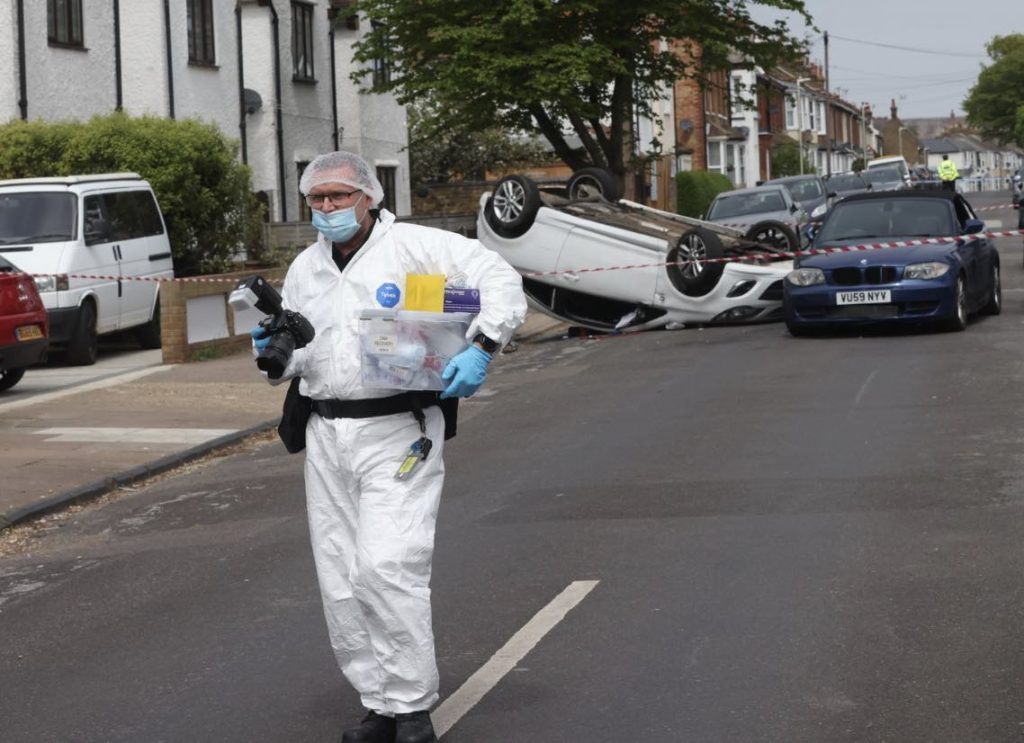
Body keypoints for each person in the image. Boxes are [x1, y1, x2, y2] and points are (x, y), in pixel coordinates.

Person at [253, 152, 527, 743]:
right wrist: (275, 355)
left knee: (386, 564)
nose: (326, 208)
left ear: (369, 197)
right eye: (316, 198)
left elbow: (501, 282)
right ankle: (377, 702)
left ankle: (411, 707)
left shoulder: (417, 249)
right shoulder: (306, 269)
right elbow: (310, 357)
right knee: (341, 575)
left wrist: (481, 346)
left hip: (399, 429)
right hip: (327, 432)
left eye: (338, 196)